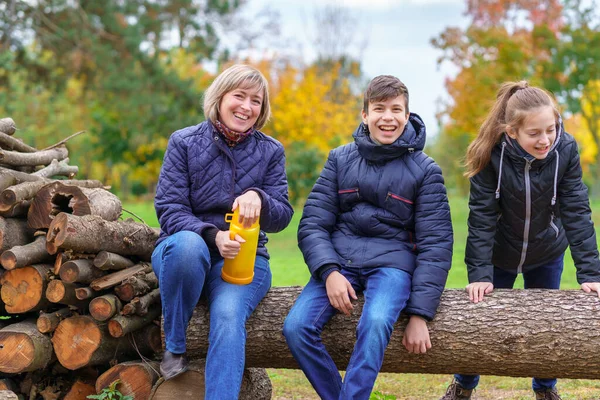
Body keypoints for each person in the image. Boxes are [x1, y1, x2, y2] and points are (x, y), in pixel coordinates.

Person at [283, 75, 453, 400]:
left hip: (393, 265)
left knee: (374, 322)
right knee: (296, 327)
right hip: (339, 262)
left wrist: (420, 314)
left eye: (396, 109)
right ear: (365, 115)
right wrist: (329, 272)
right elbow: (313, 224)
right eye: (379, 109)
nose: (387, 117)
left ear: (407, 115)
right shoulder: (339, 159)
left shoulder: (426, 170)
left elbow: (436, 246)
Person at [440, 81, 600, 400]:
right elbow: (482, 218)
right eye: (534, 133)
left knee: (545, 323)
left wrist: (591, 273)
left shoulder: (565, 150)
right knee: (483, 322)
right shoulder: (490, 154)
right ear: (512, 132)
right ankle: (463, 385)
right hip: (500, 253)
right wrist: (480, 275)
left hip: (547, 251)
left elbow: (576, 210)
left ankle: (545, 388)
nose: (545, 140)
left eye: (550, 129)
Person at [152, 64, 293, 398]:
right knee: (188, 246)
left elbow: (283, 215)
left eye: (256, 101)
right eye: (239, 96)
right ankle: (174, 344)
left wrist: (259, 197)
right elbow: (169, 209)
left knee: (228, 317)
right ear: (220, 97)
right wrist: (213, 235)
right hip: (183, 254)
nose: (246, 106)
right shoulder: (184, 142)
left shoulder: (271, 151)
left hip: (245, 262)